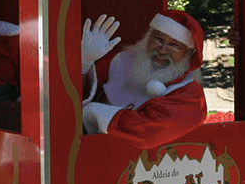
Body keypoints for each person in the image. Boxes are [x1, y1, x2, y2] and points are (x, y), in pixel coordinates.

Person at [80, 10, 208, 148]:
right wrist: (84, 64)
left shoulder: (190, 94)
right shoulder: (120, 62)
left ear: (188, 53)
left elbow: (150, 132)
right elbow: (76, 94)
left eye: (174, 45)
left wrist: (94, 112)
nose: (163, 50)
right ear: (147, 37)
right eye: (158, 39)